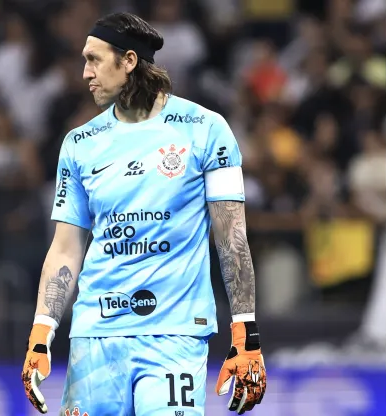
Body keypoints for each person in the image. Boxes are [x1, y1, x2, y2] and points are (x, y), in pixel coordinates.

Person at [21, 12, 267, 416]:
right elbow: (65, 249)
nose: (85, 73)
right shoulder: (80, 144)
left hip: (175, 335)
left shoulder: (205, 129)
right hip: (94, 337)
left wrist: (246, 331)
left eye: (94, 59)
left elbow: (231, 238)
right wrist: (40, 333)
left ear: (130, 60)